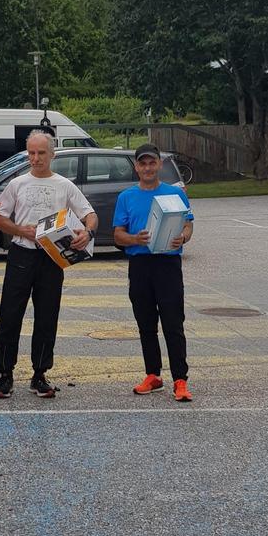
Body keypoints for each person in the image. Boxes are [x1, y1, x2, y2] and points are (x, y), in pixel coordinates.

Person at [0, 130, 98, 399]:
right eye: (31, 153)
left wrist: (88, 233)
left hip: (52, 257)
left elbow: (90, 214)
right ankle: (4, 374)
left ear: (52, 154)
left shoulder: (64, 185)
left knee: (47, 317)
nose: (36, 158)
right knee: (10, 315)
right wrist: (20, 230)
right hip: (21, 253)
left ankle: (39, 374)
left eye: (41, 153)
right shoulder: (17, 183)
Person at [112, 143, 194, 402]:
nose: (147, 168)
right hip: (140, 265)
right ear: (136, 167)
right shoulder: (126, 197)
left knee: (173, 322)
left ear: (159, 164)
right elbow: (118, 235)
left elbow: (188, 224)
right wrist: (134, 239)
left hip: (167, 265)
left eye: (152, 163)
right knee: (146, 323)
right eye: (143, 163)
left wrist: (183, 237)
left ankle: (180, 379)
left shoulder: (174, 193)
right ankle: (153, 375)